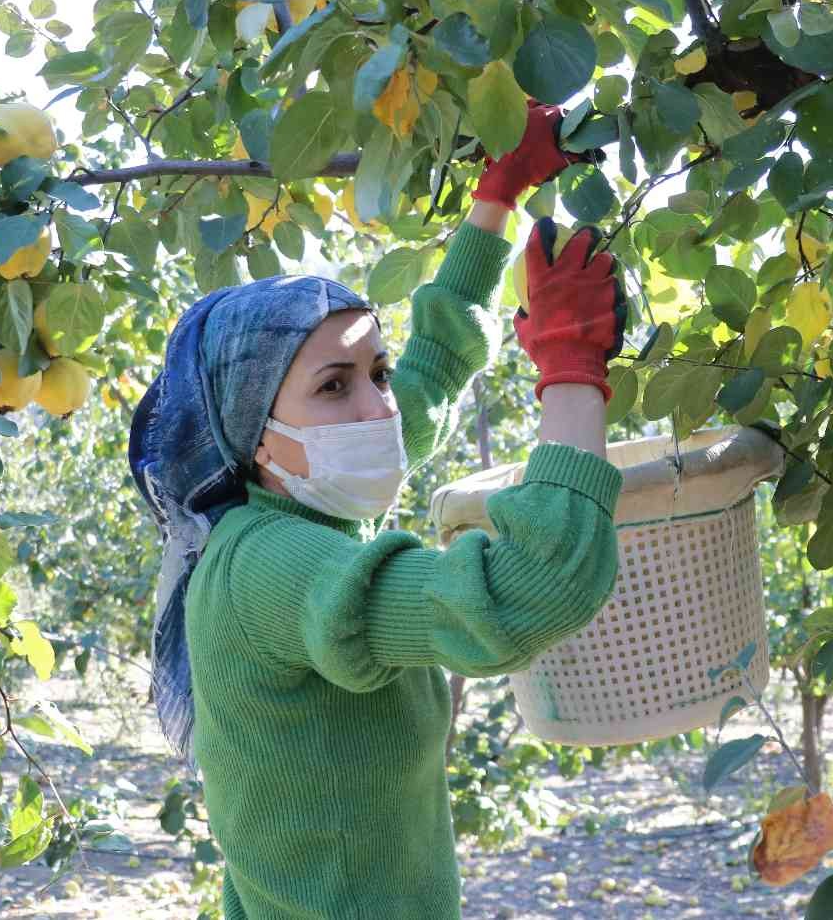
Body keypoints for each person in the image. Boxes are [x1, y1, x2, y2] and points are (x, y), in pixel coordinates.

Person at [126, 103, 629, 919]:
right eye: (335, 384)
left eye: (377, 373)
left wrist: (495, 198)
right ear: (254, 432)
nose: (379, 409)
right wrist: (571, 368)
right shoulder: (268, 565)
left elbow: (433, 364)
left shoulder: (309, 499)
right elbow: (523, 593)